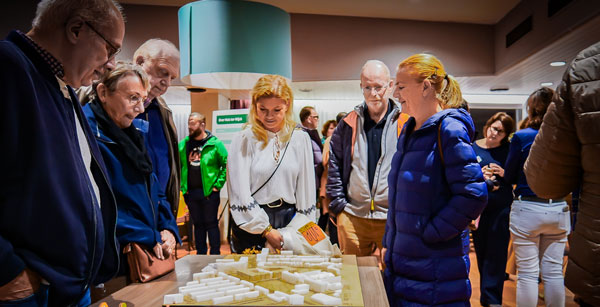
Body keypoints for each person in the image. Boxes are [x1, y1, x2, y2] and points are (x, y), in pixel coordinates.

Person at [0, 0, 124, 305]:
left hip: (64, 284)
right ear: (77, 29)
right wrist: (7, 270)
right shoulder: (8, 67)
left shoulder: (60, 84)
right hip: (29, 290)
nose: (110, 63)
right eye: (111, 49)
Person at [383, 53, 487, 306]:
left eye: (401, 86)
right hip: (404, 264)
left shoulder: (449, 129)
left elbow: (473, 194)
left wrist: (431, 232)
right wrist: (391, 242)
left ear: (426, 87)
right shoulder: (409, 131)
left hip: (435, 268)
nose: (395, 94)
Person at [83, 62, 180, 278]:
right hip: (110, 260)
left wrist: (168, 229)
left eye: (142, 99)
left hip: (144, 251)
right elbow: (99, 207)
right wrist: (149, 235)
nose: (141, 108)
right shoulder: (86, 135)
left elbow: (155, 187)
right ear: (103, 93)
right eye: (133, 98)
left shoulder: (132, 132)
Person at [524, 42, 599, 307]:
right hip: (559, 213)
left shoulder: (589, 65)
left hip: (536, 209)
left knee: (528, 272)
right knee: (554, 269)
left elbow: (545, 181)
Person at [227, 74, 316, 253]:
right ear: (254, 106)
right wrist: (267, 230)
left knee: (291, 278)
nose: (269, 116)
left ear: (287, 105)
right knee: (253, 279)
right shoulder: (243, 139)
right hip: (251, 224)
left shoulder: (300, 139)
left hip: (290, 222)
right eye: (263, 109)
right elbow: (239, 193)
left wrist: (300, 230)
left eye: (276, 110)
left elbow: (306, 191)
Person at [327, 60, 399, 259]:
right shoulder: (348, 123)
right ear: (361, 87)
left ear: (390, 85)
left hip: (392, 217)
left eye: (379, 87)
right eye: (367, 87)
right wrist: (338, 206)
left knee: (393, 277)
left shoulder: (405, 122)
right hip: (353, 216)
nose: (373, 94)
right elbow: (335, 164)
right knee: (354, 277)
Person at [505, 87, 570, 307]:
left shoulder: (522, 137)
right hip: (559, 207)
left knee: (527, 274)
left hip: (528, 208)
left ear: (531, 109)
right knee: (553, 273)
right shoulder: (566, 138)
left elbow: (510, 174)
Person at [133, 39, 181, 218]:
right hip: (126, 219)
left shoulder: (163, 111)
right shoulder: (106, 103)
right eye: (162, 73)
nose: (166, 83)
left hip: (157, 213)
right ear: (139, 62)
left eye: (171, 78)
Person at [472, 112, 515, 307]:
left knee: (496, 254)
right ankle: (486, 295)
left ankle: (493, 299)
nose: (494, 133)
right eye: (493, 128)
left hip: (501, 209)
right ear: (488, 125)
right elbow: (465, 175)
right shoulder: (473, 147)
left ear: (505, 135)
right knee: (481, 252)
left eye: (500, 131)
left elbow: (516, 177)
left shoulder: (508, 150)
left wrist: (504, 173)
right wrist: (479, 174)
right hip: (479, 208)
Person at [179, 113, 228, 255]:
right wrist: (183, 187)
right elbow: (177, 165)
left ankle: (214, 254)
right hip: (191, 193)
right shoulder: (184, 144)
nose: (189, 126)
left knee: (211, 223)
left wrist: (217, 186)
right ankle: (200, 255)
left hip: (209, 193)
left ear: (202, 124)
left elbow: (225, 165)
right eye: (189, 122)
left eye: (193, 123)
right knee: (198, 225)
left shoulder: (215, 143)